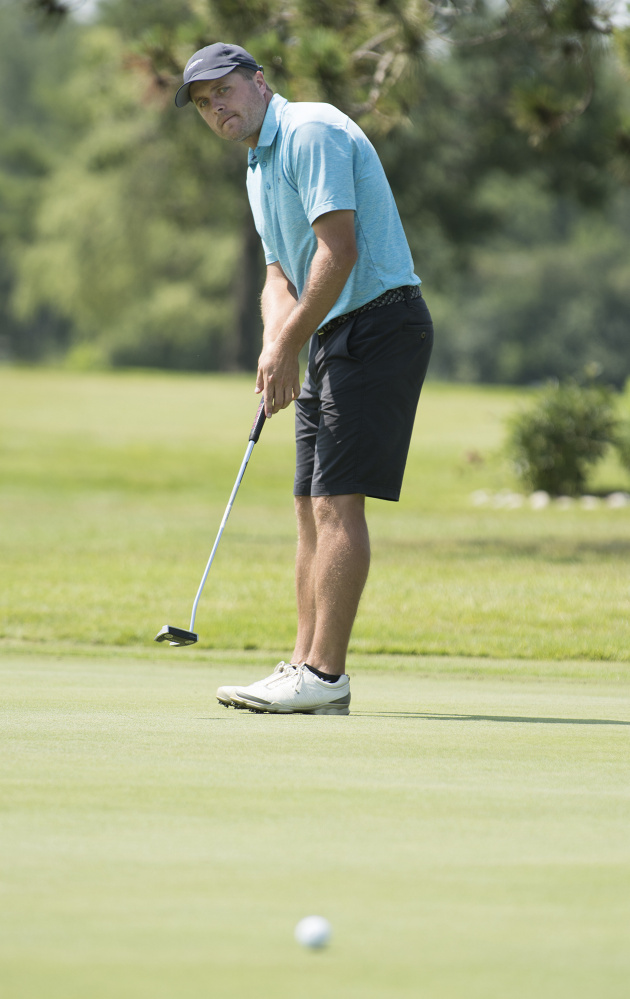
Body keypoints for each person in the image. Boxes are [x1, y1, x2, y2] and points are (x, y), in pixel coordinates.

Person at [175, 42, 433, 715]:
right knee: (306, 502)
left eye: (224, 91)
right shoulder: (259, 167)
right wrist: (274, 341)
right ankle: (303, 665)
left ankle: (326, 672)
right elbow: (279, 276)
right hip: (330, 334)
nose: (217, 109)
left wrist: (290, 340)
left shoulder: (310, 131)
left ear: (259, 83)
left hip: (379, 324)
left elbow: (339, 250)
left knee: (336, 500)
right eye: (204, 104)